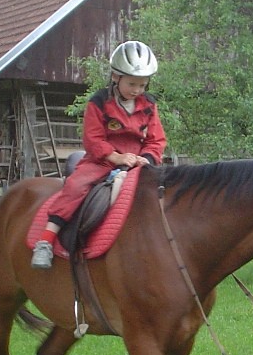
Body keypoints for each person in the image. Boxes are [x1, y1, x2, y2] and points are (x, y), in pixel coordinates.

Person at [31, 40, 167, 269]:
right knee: (75, 186)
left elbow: (156, 139)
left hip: (140, 162)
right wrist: (117, 158)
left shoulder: (149, 105)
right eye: (132, 83)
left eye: (142, 85)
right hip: (102, 161)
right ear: (116, 77)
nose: (137, 90)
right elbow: (93, 139)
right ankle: (46, 240)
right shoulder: (99, 103)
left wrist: (149, 158)